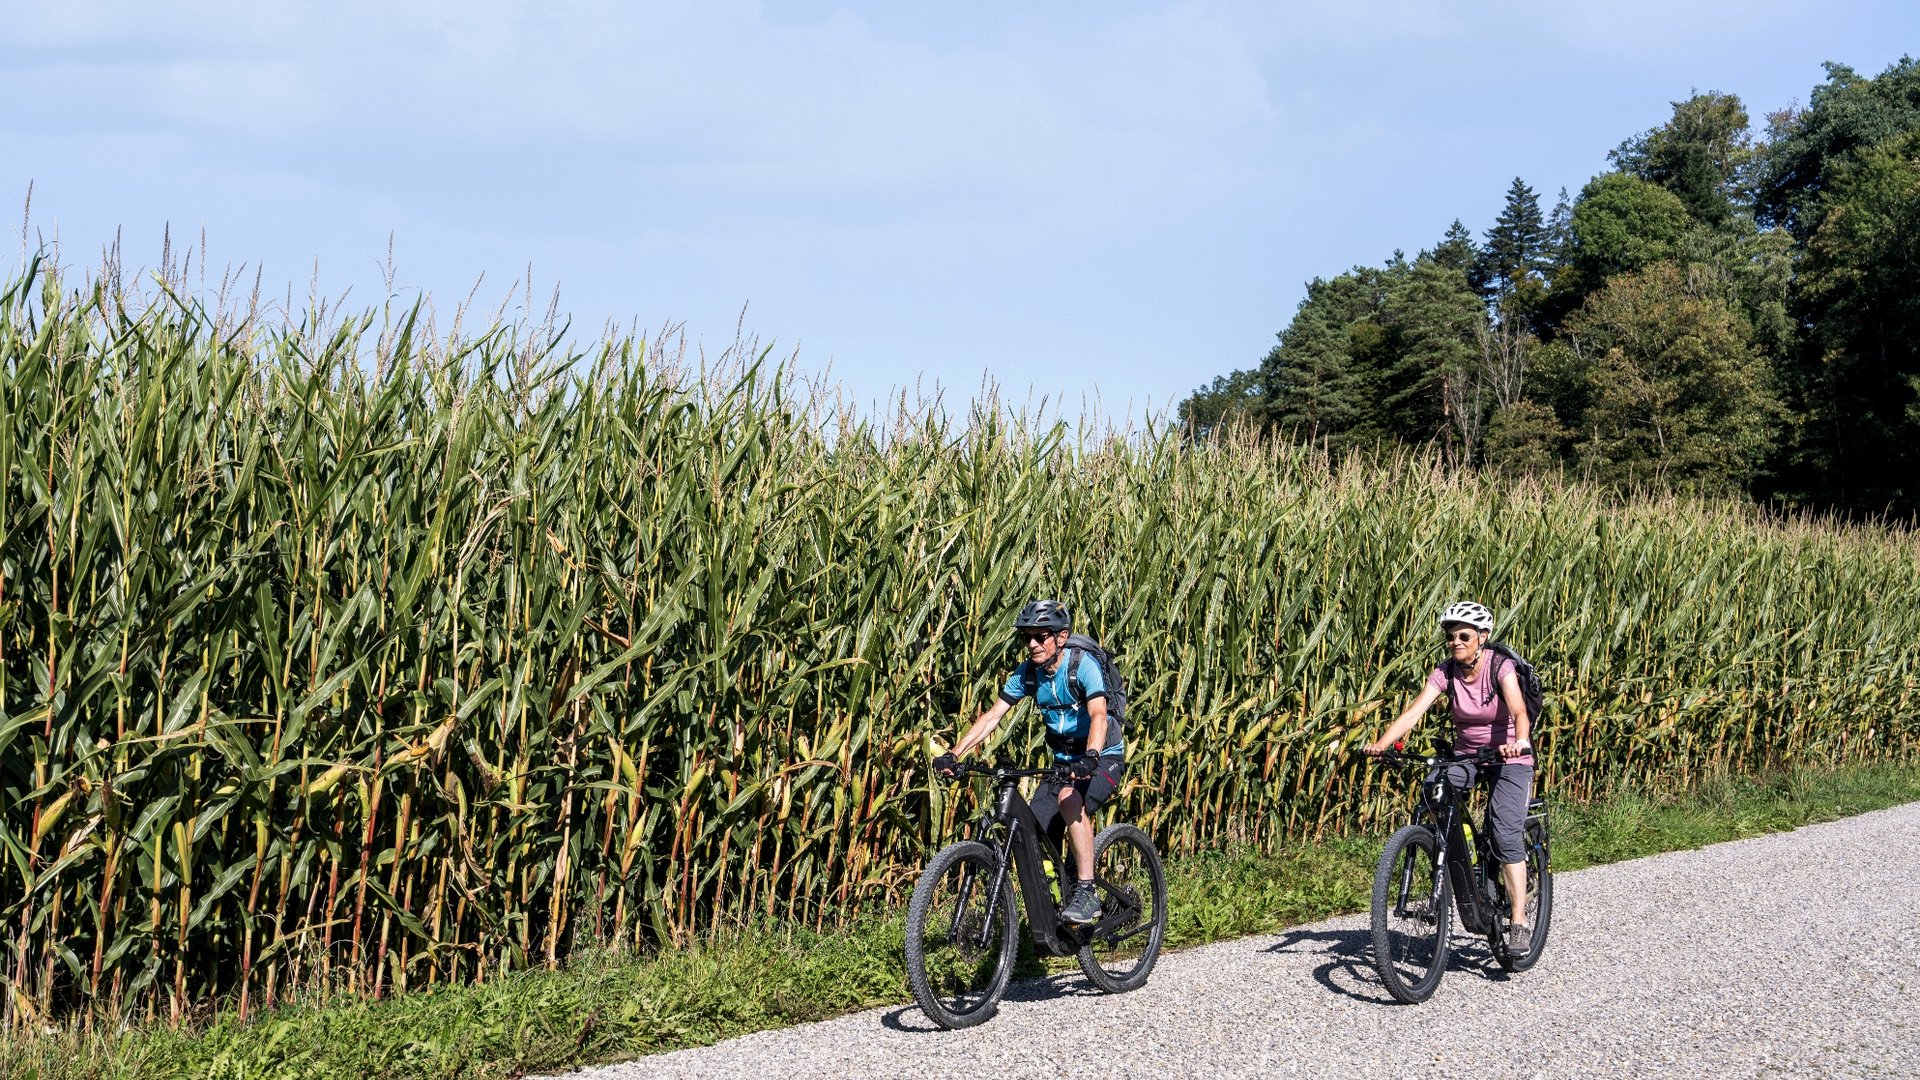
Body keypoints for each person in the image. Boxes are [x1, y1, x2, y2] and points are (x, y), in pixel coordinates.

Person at [933, 600, 1124, 924]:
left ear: (1061, 637)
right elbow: (993, 716)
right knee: (1031, 828)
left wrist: (1090, 757)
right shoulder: (1029, 675)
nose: (1033, 644)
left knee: (1068, 798)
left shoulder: (1082, 665)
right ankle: (1059, 900)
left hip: (1102, 758)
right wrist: (955, 753)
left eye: (1041, 636)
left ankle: (1087, 891)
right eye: (1027, 638)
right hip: (1063, 763)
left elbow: (1098, 715)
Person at [1363, 600, 1535, 949]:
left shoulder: (1499, 667)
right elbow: (1414, 712)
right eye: (1451, 637)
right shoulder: (1445, 673)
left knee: (1504, 834)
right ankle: (1454, 855)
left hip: (1508, 756)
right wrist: (1381, 744)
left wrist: (1519, 742)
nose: (1456, 642)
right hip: (1466, 755)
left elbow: (1518, 711)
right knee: (1433, 792)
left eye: (1464, 636)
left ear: (1482, 638)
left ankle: (1518, 921)